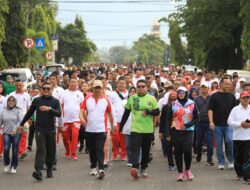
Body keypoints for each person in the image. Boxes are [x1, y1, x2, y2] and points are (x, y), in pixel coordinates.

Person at [19, 82, 61, 181]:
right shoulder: (37, 100)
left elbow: (59, 113)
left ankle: (49, 169)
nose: (46, 90)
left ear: (51, 90)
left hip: (51, 129)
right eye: (44, 88)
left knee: (51, 150)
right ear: (41, 90)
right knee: (41, 149)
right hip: (40, 129)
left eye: (48, 89)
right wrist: (21, 123)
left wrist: (49, 109)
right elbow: (29, 112)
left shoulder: (55, 101)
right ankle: (38, 170)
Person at [120, 79, 160, 180]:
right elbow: (126, 113)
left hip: (148, 130)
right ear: (136, 88)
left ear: (146, 87)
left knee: (146, 151)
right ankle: (135, 168)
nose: (141, 89)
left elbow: (157, 111)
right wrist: (121, 126)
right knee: (135, 148)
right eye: (139, 87)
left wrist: (148, 112)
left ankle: (143, 168)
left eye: (143, 87)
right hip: (135, 129)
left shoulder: (151, 98)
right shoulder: (132, 98)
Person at [80, 80, 114, 180]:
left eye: (99, 87)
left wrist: (111, 127)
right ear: (92, 88)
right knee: (92, 149)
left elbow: (110, 115)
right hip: (89, 129)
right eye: (95, 87)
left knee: (100, 148)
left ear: (102, 88)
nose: (97, 89)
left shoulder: (106, 100)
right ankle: (93, 166)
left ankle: (101, 169)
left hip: (101, 129)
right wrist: (82, 119)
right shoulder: (87, 99)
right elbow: (81, 111)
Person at [165, 87, 199, 181]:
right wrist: (167, 133)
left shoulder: (192, 103)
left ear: (186, 93)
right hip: (176, 130)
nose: (180, 94)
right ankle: (180, 173)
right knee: (178, 152)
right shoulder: (173, 104)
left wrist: (187, 125)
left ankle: (187, 170)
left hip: (188, 130)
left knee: (187, 150)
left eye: (182, 92)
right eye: (179, 92)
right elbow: (168, 120)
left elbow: (197, 118)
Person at [208, 77, 237, 170]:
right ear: (221, 84)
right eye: (226, 84)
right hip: (217, 125)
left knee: (229, 141)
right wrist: (211, 121)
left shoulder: (232, 96)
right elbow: (210, 110)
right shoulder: (214, 96)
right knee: (219, 144)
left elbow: (235, 111)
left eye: (229, 84)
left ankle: (230, 160)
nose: (228, 86)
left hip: (229, 125)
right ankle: (221, 162)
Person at [228, 91, 250, 185]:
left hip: (248, 138)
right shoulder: (235, 109)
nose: (245, 100)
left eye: (247, 98)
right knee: (238, 157)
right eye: (243, 98)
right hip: (237, 138)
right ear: (240, 99)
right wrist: (240, 124)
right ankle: (239, 173)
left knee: (247, 157)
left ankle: (247, 177)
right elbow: (229, 122)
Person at [61, 78, 84, 160]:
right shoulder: (64, 93)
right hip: (66, 119)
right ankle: (68, 149)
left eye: (75, 82)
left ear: (77, 83)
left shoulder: (80, 94)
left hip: (76, 119)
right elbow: (60, 105)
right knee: (64, 137)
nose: (73, 83)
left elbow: (83, 107)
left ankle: (73, 153)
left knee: (75, 135)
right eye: (72, 82)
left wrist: (83, 118)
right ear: (68, 83)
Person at [0, 96, 23, 174]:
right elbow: (0, 122)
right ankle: (7, 163)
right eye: (9, 100)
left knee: (15, 149)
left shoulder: (18, 110)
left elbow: (20, 121)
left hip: (17, 133)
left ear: (15, 102)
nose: (11, 102)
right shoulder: (3, 111)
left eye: (13, 100)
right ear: (7, 102)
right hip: (6, 132)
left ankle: (14, 166)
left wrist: (15, 129)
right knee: (6, 148)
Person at [9, 80, 31, 159]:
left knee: (24, 134)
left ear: (22, 85)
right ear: (15, 85)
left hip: (24, 118)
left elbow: (29, 108)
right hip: (14, 118)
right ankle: (19, 152)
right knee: (16, 136)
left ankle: (22, 151)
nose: (19, 87)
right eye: (17, 85)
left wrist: (29, 118)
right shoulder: (11, 95)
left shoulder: (27, 95)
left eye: (20, 85)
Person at [108, 77, 128, 161]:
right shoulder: (112, 94)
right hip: (115, 120)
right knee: (115, 138)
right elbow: (109, 107)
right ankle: (115, 153)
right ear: (117, 84)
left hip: (125, 120)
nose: (121, 85)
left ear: (126, 84)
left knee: (123, 139)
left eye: (123, 83)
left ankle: (123, 154)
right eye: (120, 83)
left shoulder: (129, 94)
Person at [194, 81, 214, 165]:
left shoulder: (212, 98)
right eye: (202, 87)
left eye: (205, 87)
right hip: (199, 123)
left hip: (209, 123)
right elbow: (194, 111)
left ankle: (209, 159)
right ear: (200, 88)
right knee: (198, 141)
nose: (204, 88)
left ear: (208, 88)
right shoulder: (196, 99)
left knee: (210, 141)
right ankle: (198, 155)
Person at [159, 91, 177, 171]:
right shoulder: (165, 107)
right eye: (171, 99)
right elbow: (162, 120)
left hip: (177, 130)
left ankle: (178, 163)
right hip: (167, 130)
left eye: (174, 99)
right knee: (168, 148)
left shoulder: (179, 107)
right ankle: (171, 164)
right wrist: (160, 132)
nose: (173, 101)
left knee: (177, 149)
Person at [0, 82, 7, 157]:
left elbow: (6, 109)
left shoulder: (5, 99)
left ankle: (0, 151)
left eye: (1, 87)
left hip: (2, 120)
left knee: (1, 137)